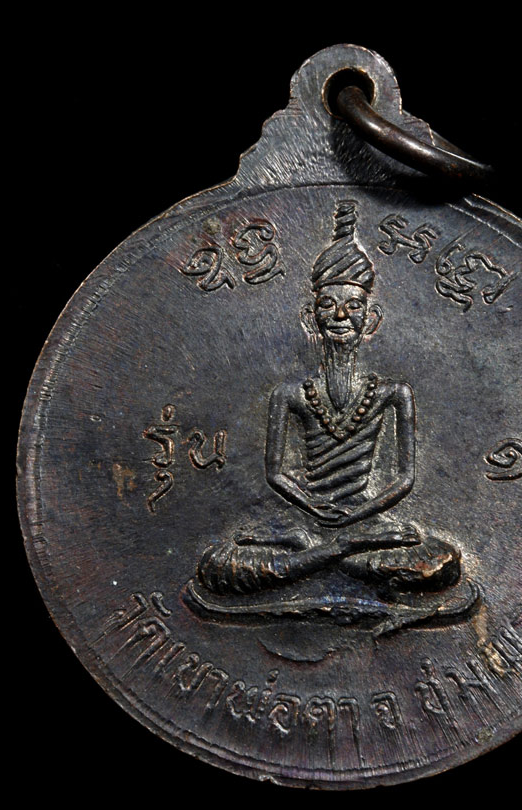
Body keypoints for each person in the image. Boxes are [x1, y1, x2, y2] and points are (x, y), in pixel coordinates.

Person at [197, 200, 462, 597]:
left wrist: (356, 516)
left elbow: (404, 478)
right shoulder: (290, 394)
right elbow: (276, 474)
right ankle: (330, 548)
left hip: (367, 520)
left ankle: (312, 553)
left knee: (438, 563)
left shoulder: (393, 393)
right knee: (220, 564)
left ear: (370, 319)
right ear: (311, 318)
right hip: (306, 515)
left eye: (353, 306)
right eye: (328, 305)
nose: (340, 316)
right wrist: (314, 508)